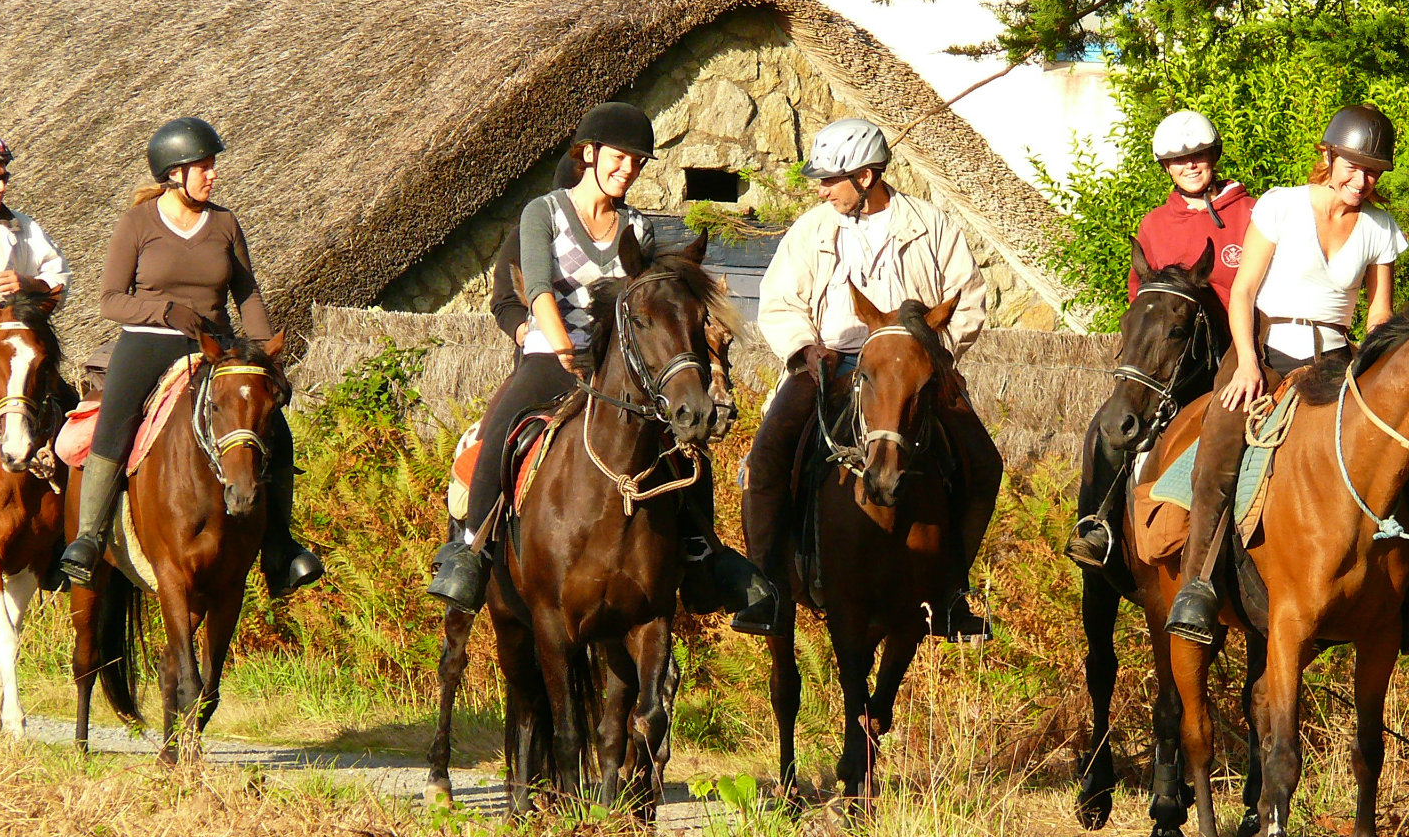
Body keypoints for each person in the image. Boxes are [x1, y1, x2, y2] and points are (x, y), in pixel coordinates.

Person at [1163, 105, 1409, 645]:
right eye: (1353, 167)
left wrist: (1378, 374)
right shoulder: (1281, 207)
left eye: (1373, 172)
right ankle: (1197, 587)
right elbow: (1243, 291)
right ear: (1329, 157)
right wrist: (1246, 361)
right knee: (1220, 444)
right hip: (1265, 351)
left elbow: (1379, 314)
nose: (1362, 181)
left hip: (1336, 362)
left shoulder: (1380, 228)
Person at [427, 103, 774, 618]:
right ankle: (472, 548)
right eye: (619, 157)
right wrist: (564, 348)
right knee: (500, 429)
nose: (628, 169)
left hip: (621, 364)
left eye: (637, 162)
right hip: (554, 354)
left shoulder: (640, 227)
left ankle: (703, 551)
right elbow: (540, 288)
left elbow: (649, 301)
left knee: (687, 441)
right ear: (589, 154)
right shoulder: (541, 213)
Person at [732, 117, 999, 640]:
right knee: (767, 456)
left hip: (914, 369)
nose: (822, 189)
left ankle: (951, 592)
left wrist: (929, 357)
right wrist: (805, 348)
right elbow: (780, 301)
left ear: (868, 176)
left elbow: (968, 299)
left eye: (831, 179)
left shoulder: (933, 225)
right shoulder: (812, 229)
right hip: (830, 364)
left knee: (984, 461)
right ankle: (764, 587)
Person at [59, 118, 324, 596]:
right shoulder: (137, 223)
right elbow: (109, 300)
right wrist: (163, 309)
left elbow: (247, 294)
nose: (213, 175)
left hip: (213, 346)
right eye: (203, 167)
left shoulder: (224, 223)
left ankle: (280, 546)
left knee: (274, 430)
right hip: (147, 339)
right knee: (115, 420)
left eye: (212, 166)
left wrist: (266, 357)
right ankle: (89, 538)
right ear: (174, 173)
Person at [1068, 110, 1251, 568]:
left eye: (1198, 156)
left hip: (1237, 356)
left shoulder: (1251, 214)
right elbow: (1141, 303)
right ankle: (1099, 524)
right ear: (1166, 168)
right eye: (1178, 160)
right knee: (1111, 429)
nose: (1190, 166)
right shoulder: (1153, 226)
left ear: (1214, 157)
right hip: (1169, 366)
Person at [0, 133, 71, 331]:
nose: (1, 187)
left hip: (11, 350)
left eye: (4, 178)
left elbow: (61, 280)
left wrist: (29, 284)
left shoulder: (23, 227)